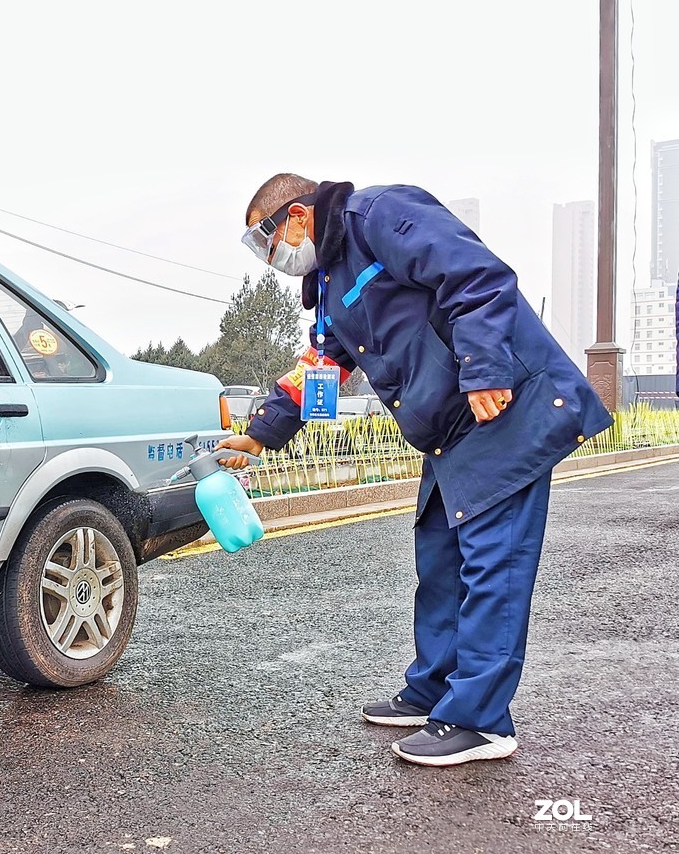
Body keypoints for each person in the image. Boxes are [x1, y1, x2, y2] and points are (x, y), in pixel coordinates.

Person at [217, 174, 613, 767]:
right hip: (449, 434)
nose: (271, 258)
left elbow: (475, 275)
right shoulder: (330, 283)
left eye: (266, 241)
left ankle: (480, 721)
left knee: (493, 566)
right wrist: (261, 433)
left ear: (297, 216)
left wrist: (485, 369)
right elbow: (321, 367)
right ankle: (434, 688)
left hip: (501, 411)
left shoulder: (379, 214)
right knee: (439, 562)